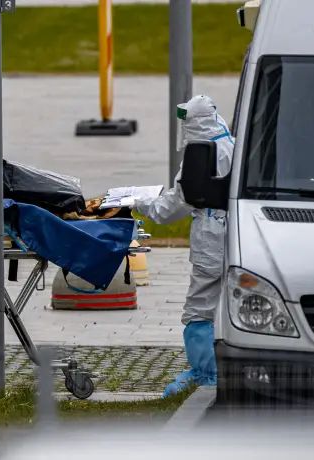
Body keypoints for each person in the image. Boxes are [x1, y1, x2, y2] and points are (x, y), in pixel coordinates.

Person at [133, 95, 235, 398]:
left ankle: (205, 374)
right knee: (230, 304)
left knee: (199, 307)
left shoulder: (199, 155)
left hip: (210, 236)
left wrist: (139, 203)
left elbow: (174, 205)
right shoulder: (232, 144)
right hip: (237, 232)